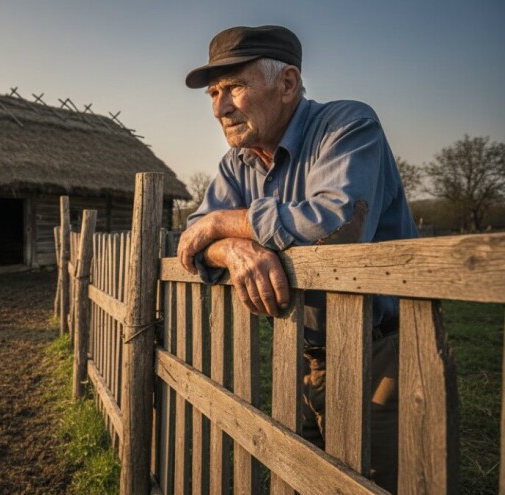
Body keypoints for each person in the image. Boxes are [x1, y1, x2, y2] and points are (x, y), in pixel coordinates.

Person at [178, 25, 418, 492]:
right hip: (298, 353)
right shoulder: (239, 161)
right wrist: (234, 247)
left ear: (287, 84)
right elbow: (193, 235)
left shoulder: (348, 126)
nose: (220, 107)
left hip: (379, 354)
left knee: (370, 482)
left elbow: (336, 225)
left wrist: (224, 223)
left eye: (235, 87)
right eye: (213, 92)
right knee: (299, 477)